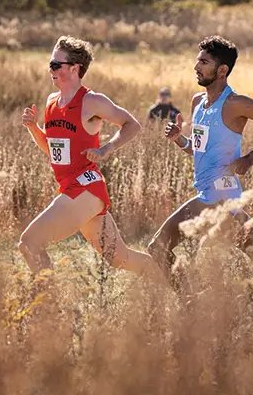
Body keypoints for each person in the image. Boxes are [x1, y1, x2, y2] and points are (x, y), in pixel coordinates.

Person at [148, 35, 253, 297]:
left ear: (222, 70)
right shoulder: (197, 103)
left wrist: (251, 157)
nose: (196, 67)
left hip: (222, 196)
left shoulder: (236, 104)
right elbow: (199, 151)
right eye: (197, 61)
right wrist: (179, 139)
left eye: (204, 62)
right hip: (206, 193)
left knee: (159, 247)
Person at [17, 36, 167, 288]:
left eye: (56, 64)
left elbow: (132, 124)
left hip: (86, 189)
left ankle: (48, 310)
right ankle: (173, 279)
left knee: (29, 242)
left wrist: (107, 148)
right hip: (72, 188)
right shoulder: (51, 102)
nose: (51, 69)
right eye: (50, 64)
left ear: (74, 68)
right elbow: (52, 151)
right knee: (119, 258)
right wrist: (33, 128)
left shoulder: (91, 101)